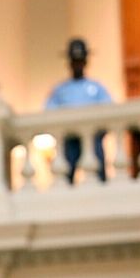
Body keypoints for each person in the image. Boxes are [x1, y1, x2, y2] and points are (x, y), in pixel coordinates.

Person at [45, 38, 112, 182]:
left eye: (80, 61)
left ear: (86, 62)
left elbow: (108, 110)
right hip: (70, 138)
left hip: (93, 137)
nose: (77, 65)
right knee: (66, 175)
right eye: (74, 61)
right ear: (69, 63)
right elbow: (49, 111)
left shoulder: (97, 88)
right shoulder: (60, 90)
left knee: (99, 170)